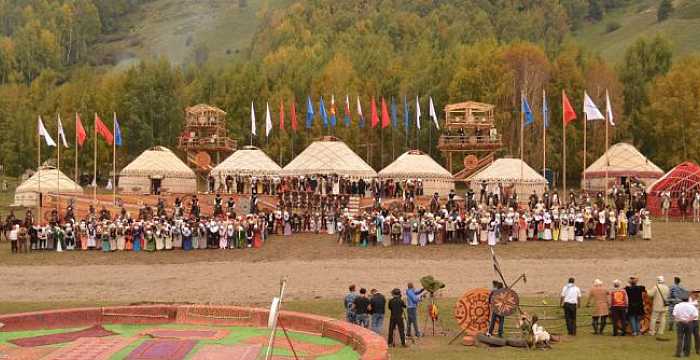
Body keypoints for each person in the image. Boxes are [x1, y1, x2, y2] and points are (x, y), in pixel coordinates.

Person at [673, 293, 698, 357]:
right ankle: (687, 353)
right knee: (688, 338)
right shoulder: (691, 306)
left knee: (680, 338)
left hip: (680, 323)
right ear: (687, 299)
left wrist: (681, 319)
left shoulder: (677, 305)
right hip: (689, 323)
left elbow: (674, 315)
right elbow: (695, 315)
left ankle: (678, 353)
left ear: (681, 299)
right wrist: (688, 320)